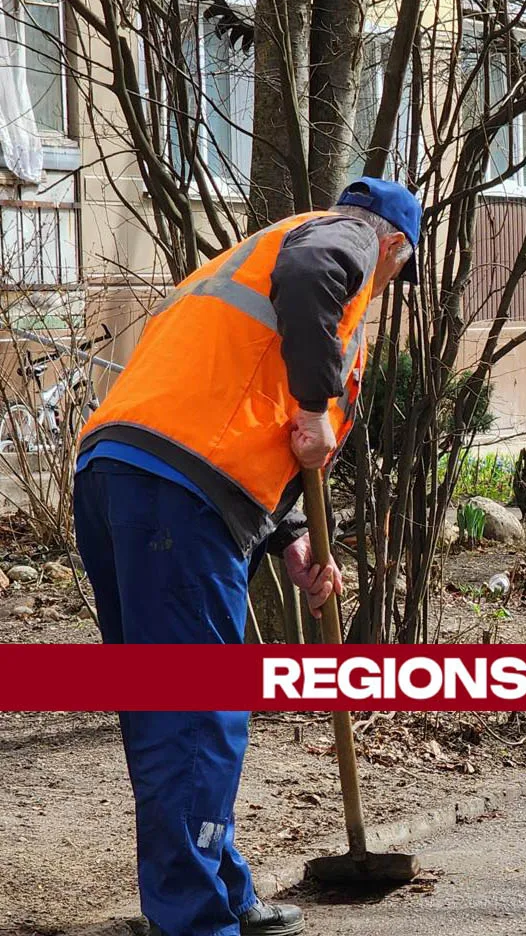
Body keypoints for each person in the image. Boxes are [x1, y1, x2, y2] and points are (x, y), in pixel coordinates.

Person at [72, 178, 420, 936]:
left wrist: (290, 537)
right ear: (393, 244)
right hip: (180, 492)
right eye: (400, 268)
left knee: (169, 706)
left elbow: (238, 402)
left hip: (119, 475)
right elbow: (313, 281)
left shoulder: (245, 260)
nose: (388, 282)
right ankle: (197, 919)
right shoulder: (342, 240)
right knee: (197, 711)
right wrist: (314, 408)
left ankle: (218, 889)